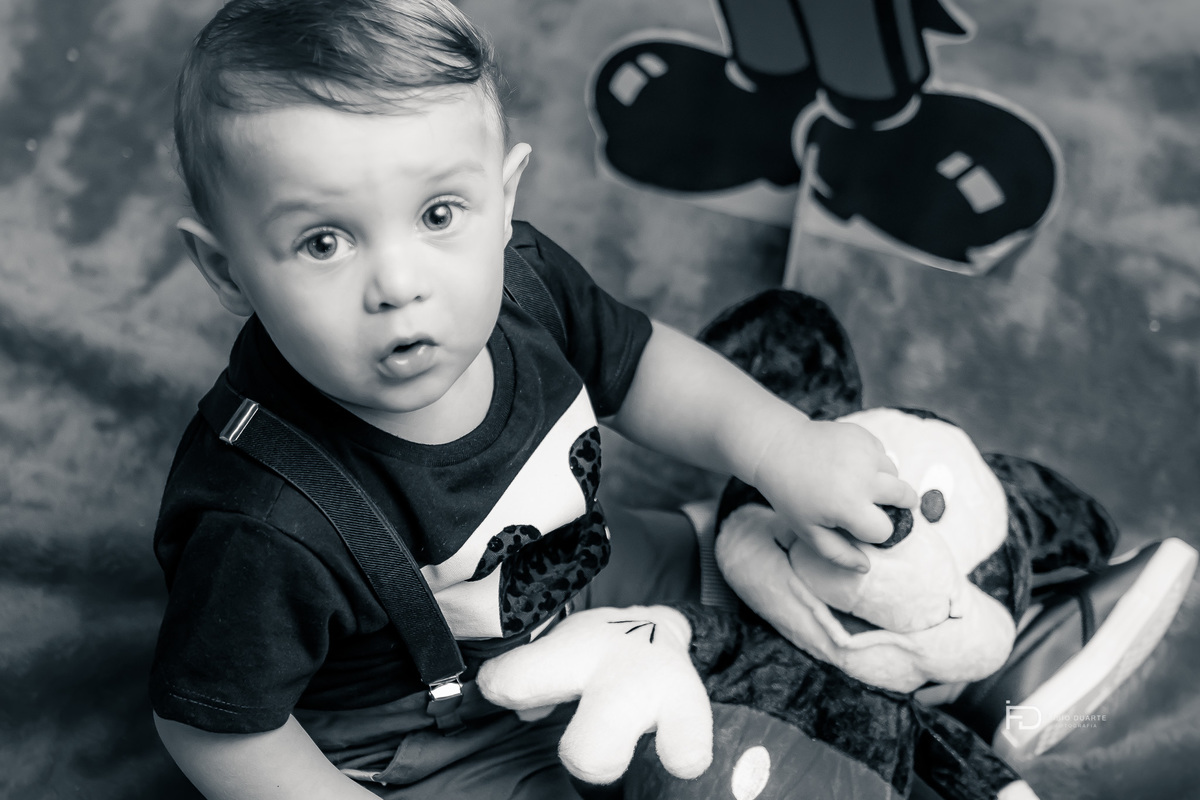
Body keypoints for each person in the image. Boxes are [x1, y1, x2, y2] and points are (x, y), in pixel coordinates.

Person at [149, 1, 917, 798]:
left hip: (582, 575)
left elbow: (641, 365)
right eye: (324, 242)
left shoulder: (526, 283)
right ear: (228, 272)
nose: (400, 285)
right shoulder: (262, 519)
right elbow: (214, 731)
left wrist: (780, 445)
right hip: (431, 727)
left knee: (802, 575)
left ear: (504, 198)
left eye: (438, 215)